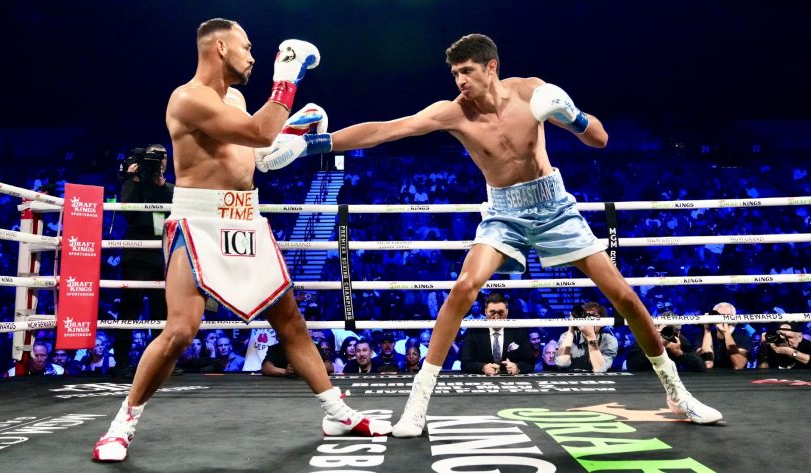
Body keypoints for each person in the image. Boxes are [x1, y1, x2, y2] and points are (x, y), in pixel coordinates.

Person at [257, 33, 722, 435]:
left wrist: (573, 116)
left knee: (622, 295)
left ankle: (677, 393)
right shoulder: (454, 112)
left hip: (555, 206)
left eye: (467, 71)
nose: (460, 81)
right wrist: (309, 145)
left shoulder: (532, 92)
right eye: (455, 73)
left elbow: (598, 139)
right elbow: (387, 130)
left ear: (491, 67)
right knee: (464, 287)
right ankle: (417, 405)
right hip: (503, 212)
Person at [92, 18, 390, 463]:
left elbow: (255, 154)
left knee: (291, 323)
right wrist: (287, 78)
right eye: (246, 47)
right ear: (219, 48)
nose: (253, 56)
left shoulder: (234, 99)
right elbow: (259, 133)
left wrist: (293, 140)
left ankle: (337, 413)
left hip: (246, 220)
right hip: (199, 222)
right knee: (180, 330)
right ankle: (121, 425)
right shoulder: (188, 98)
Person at [115, 144, 175, 377]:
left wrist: (160, 184)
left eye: (163, 156)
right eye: (155, 156)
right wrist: (134, 179)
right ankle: (121, 362)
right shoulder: (133, 183)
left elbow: (175, 213)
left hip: (162, 254)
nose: (160, 160)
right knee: (130, 307)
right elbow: (128, 212)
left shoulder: (169, 188)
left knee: (162, 310)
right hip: (137, 254)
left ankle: (160, 363)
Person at [459, 293, 535, 375]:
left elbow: (529, 362)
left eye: (500, 312)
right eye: (492, 312)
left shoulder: (519, 331)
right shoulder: (473, 331)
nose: (496, 316)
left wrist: (517, 367)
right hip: (483, 379)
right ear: (485, 312)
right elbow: (465, 363)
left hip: (511, 378)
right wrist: (482, 367)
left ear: (507, 311)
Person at [555, 302, 618, 373]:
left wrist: (590, 336)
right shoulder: (567, 336)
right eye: (586, 316)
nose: (588, 320)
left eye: (593, 316)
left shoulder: (609, 340)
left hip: (598, 379)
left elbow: (600, 370)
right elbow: (561, 363)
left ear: (602, 322)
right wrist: (571, 329)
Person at [697, 302, 751, 370]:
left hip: (734, 376)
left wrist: (726, 333)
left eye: (728, 316)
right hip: (710, 376)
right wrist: (707, 330)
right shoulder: (701, 337)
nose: (724, 320)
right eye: (720, 316)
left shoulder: (743, 337)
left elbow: (739, 365)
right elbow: (707, 364)